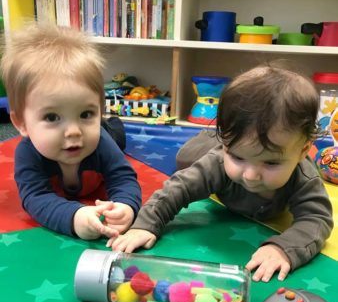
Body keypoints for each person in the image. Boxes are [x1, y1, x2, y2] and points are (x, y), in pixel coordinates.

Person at [109, 64, 334, 282]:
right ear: (226, 143)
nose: (250, 175)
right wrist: (145, 224)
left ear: (303, 150)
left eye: (271, 162)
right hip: (203, 150)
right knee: (185, 158)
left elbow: (317, 218)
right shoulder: (217, 163)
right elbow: (179, 188)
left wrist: (284, 249)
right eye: (238, 157)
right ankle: (209, 137)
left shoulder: (304, 177)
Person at [1, 23, 141, 240]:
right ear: (21, 123)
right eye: (52, 117)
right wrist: (74, 217)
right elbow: (35, 198)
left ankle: (110, 123)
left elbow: (123, 178)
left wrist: (125, 206)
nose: (74, 132)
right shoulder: (28, 154)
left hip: (105, 134)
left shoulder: (101, 143)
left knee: (114, 136)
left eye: (86, 114)